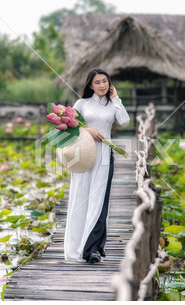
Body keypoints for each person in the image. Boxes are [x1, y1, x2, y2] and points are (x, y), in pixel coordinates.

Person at [64, 68, 130, 263]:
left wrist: (117, 99)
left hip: (104, 157)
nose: (102, 85)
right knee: (81, 197)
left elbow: (124, 121)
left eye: (105, 81)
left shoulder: (112, 104)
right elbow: (69, 125)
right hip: (84, 154)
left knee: (99, 200)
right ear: (90, 86)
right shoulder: (81, 103)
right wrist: (87, 130)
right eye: (97, 82)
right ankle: (77, 245)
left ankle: (93, 248)